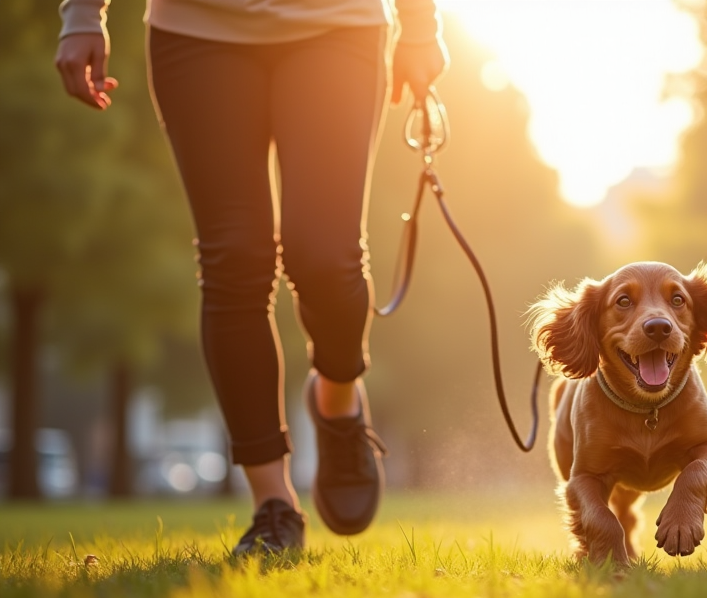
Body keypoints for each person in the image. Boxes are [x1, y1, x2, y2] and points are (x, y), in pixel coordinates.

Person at [55, 0, 447, 552]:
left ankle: (337, 400)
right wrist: (82, 14)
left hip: (338, 24)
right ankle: (273, 505)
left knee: (325, 256)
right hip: (196, 31)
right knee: (233, 260)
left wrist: (421, 25)